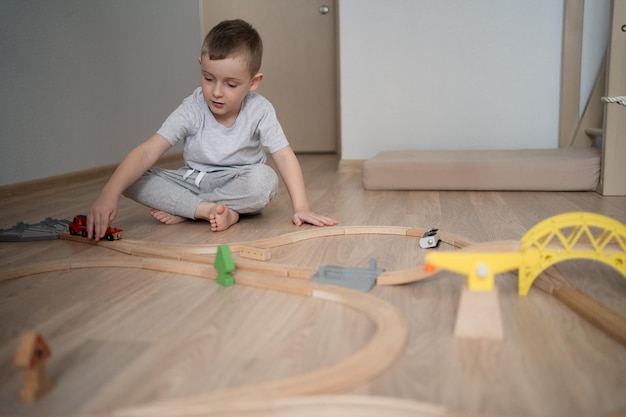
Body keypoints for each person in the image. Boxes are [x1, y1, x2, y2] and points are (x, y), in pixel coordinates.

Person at [87, 19, 337, 240]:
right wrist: (109, 195)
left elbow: (283, 155)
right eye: (208, 78)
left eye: (230, 84)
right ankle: (208, 210)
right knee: (130, 179)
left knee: (264, 181)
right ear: (201, 66)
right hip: (191, 181)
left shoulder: (260, 110)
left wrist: (301, 206)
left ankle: (190, 210)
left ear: (254, 82)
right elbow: (147, 152)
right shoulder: (193, 107)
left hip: (237, 183)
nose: (216, 92)